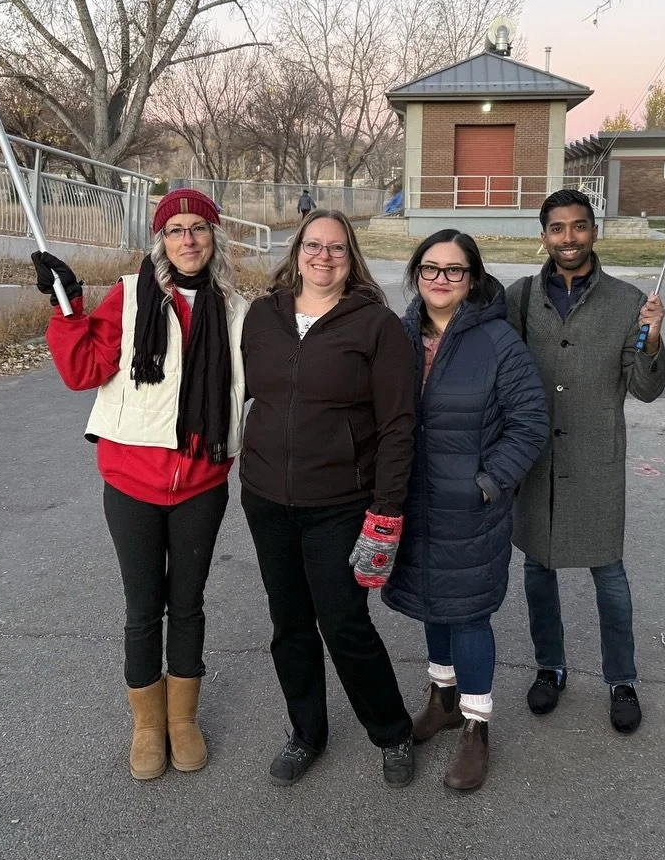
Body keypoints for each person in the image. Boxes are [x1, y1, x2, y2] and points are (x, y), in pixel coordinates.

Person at [34, 187, 248, 781]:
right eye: (176, 229)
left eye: (198, 229)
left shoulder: (237, 309)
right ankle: (149, 725)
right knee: (142, 607)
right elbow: (83, 371)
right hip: (132, 482)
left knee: (188, 604)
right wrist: (67, 308)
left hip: (203, 481)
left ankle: (183, 720)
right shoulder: (128, 299)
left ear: (214, 237)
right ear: (161, 241)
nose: (188, 240)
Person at [240, 208, 419, 787]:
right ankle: (306, 734)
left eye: (336, 248)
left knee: (343, 623)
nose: (324, 256)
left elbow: (398, 425)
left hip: (340, 502)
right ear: (296, 253)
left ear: (351, 258)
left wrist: (386, 511)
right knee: (288, 622)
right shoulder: (262, 318)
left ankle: (392, 732)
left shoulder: (375, 326)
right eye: (313, 246)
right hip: (267, 498)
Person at [384, 230, 547, 791]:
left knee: (469, 612)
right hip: (414, 499)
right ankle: (443, 696)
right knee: (433, 600)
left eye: (454, 270)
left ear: (473, 279)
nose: (441, 280)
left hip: (470, 506)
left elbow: (530, 422)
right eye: (430, 269)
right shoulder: (400, 334)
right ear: (416, 274)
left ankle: (477, 727)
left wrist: (489, 482)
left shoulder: (498, 341)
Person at [505, 189, 665, 735]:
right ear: (544, 234)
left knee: (609, 573)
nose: (568, 239)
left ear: (593, 231)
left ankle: (621, 679)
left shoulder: (627, 303)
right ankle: (550, 668)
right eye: (557, 228)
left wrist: (650, 341)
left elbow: (646, 390)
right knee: (537, 569)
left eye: (578, 227)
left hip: (596, 458)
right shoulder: (521, 296)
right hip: (535, 460)